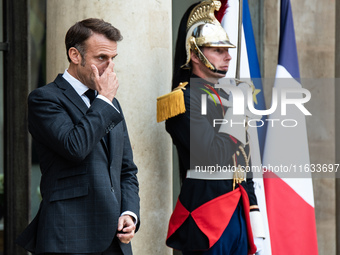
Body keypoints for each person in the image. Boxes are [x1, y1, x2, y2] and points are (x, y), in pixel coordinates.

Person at [16, 18, 140, 255]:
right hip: (69, 237)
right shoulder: (45, 98)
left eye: (113, 59)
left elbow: (126, 170)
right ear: (75, 55)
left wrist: (129, 213)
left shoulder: (110, 103)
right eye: (101, 58)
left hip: (115, 240)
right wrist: (104, 100)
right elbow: (75, 147)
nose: (109, 67)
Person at [157, 1, 265, 254]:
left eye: (227, 50)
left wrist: (254, 212)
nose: (228, 56)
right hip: (206, 213)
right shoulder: (182, 100)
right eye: (218, 50)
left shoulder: (227, 98)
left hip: (239, 208)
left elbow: (243, 161)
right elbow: (212, 155)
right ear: (195, 55)